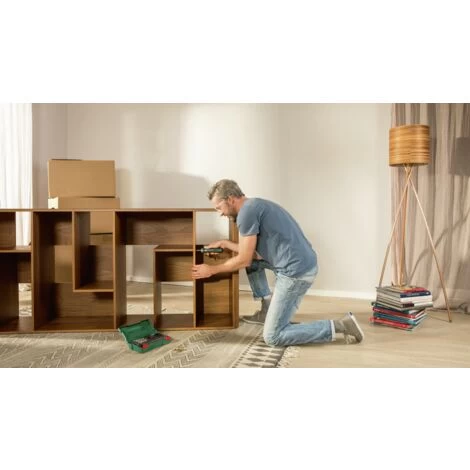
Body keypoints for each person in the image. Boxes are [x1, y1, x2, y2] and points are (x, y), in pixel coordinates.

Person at [191, 179, 364, 347]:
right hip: (302, 263)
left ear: (230, 199)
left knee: (273, 336)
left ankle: (341, 325)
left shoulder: (246, 214)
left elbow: (244, 259)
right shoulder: (255, 205)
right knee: (254, 265)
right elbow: (254, 256)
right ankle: (267, 309)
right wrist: (225, 243)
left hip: (295, 274)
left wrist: (212, 269)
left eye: (219, 207)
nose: (220, 213)